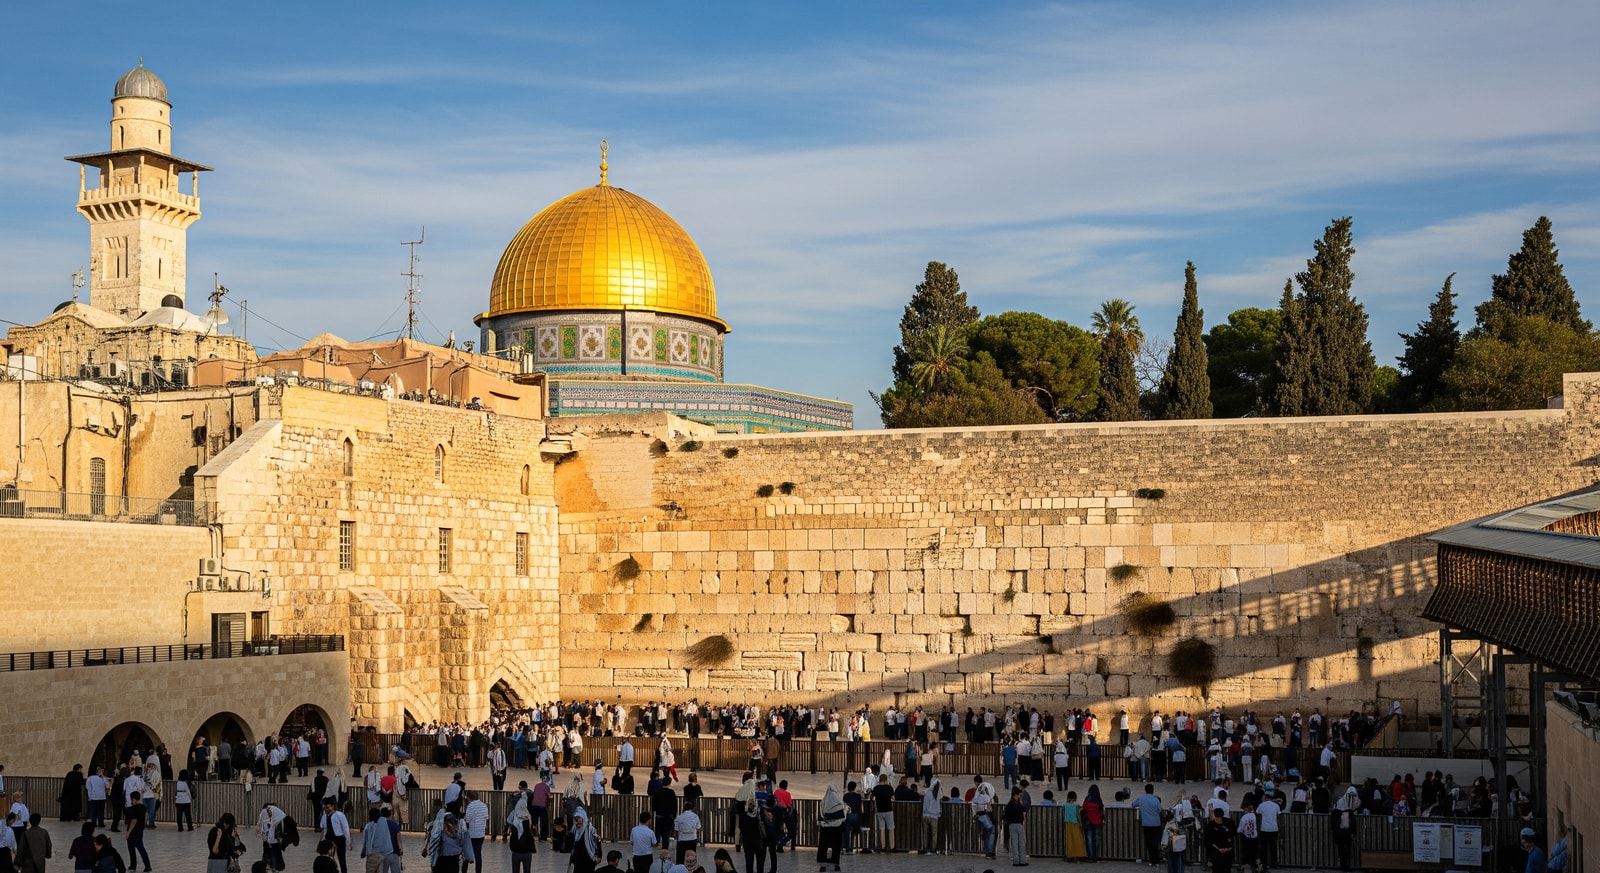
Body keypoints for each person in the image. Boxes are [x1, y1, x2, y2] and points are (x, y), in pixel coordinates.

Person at [817, 784, 846, 871]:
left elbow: (820, 815)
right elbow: (843, 817)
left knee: (823, 846)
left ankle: (822, 865)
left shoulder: (823, 801)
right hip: (836, 827)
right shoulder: (839, 802)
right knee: (836, 846)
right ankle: (836, 865)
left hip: (825, 827)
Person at [1134, 784, 1164, 866]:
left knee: (1149, 842)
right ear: (1153, 790)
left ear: (1145, 790)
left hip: (1146, 824)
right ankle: (1157, 861)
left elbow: (1133, 804)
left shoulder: (1141, 799)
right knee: (1155, 842)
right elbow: (1159, 810)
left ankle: (1151, 860)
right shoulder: (1156, 800)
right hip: (1156, 824)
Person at [359, 808, 394, 873]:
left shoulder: (368, 826)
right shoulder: (384, 822)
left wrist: (363, 853)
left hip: (372, 854)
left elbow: (365, 841)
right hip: (383, 854)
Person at [258, 802, 290, 873]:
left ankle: (275, 868)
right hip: (267, 841)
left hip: (275, 842)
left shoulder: (278, 821)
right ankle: (267, 867)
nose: (268, 812)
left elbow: (279, 833)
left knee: (275, 855)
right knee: (267, 855)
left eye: (270, 811)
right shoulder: (267, 818)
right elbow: (263, 828)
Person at [321, 799, 351, 873]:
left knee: (342, 859)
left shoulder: (340, 815)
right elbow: (324, 829)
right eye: (325, 808)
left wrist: (348, 841)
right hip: (329, 839)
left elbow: (345, 828)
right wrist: (322, 840)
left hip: (339, 838)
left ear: (332, 806)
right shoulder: (324, 816)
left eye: (327, 807)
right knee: (328, 858)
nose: (326, 809)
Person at [123, 791, 150, 873]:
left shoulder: (131, 809)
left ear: (133, 799)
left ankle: (133, 865)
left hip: (133, 831)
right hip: (140, 830)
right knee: (141, 848)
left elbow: (133, 821)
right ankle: (147, 865)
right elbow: (145, 818)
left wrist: (128, 832)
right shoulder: (143, 807)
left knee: (131, 849)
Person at [1204, 807, 1234, 873]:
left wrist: (1229, 848)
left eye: (1220, 818)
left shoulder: (1228, 823)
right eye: (1217, 818)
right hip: (1216, 852)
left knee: (1227, 869)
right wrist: (1218, 849)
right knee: (1217, 869)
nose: (1219, 820)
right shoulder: (1210, 826)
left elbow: (1232, 836)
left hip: (1227, 852)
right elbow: (1208, 840)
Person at [1003, 786, 1028, 866]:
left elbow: (1006, 816)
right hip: (1019, 825)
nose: (1019, 797)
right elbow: (1024, 811)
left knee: (1014, 843)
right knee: (1021, 843)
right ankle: (1022, 860)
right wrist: (1021, 804)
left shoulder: (1009, 804)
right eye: (1019, 795)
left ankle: (1016, 860)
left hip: (1011, 825)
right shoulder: (1018, 805)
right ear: (1015, 795)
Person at [569, 809, 600, 873]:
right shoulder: (574, 829)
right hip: (577, 861)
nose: (578, 820)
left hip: (589, 860)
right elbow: (573, 846)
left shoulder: (590, 830)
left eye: (579, 818)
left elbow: (597, 841)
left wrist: (599, 855)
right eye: (576, 818)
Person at [1081, 785, 1105, 863]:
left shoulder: (1088, 798)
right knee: (1096, 839)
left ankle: (1090, 857)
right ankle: (1096, 857)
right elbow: (1101, 811)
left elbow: (1084, 807)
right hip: (1097, 821)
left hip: (1088, 821)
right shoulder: (1099, 799)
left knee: (1089, 839)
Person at [674, 800, 702, 865]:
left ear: (683, 807)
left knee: (680, 858)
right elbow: (698, 828)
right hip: (692, 839)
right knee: (691, 857)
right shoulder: (695, 816)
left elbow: (676, 831)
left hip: (682, 839)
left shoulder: (679, 817)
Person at [920, 777, 943, 855]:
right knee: (934, 834)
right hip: (933, 816)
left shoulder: (927, 793)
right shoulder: (937, 794)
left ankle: (925, 848)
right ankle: (933, 849)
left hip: (925, 815)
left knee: (925, 833)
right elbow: (938, 807)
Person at [1062, 791, 1087, 862]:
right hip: (1075, 823)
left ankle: (1069, 855)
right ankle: (1078, 855)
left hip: (1067, 823)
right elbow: (1078, 815)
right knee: (1077, 840)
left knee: (1069, 840)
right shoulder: (1076, 805)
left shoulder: (1064, 804)